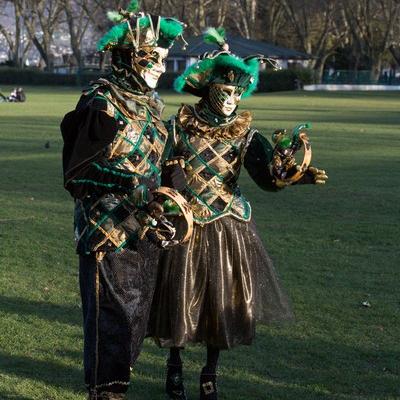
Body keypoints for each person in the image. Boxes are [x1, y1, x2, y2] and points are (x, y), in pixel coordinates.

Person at [149, 28, 328, 400]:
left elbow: (267, 176)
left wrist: (294, 177)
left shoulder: (245, 133)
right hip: (185, 224)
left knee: (223, 302)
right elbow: (158, 168)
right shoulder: (177, 127)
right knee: (178, 298)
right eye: (224, 90)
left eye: (237, 92)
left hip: (229, 223)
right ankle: (175, 365)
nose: (230, 98)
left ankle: (210, 373)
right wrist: (171, 181)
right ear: (208, 87)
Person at [60, 1, 186, 399]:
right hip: (106, 232)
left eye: (165, 60)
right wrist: (134, 187)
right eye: (152, 58)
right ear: (129, 57)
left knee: (133, 321)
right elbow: (79, 172)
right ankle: (104, 393)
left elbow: (163, 166)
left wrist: (171, 194)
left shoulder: (151, 109)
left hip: (143, 232)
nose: (160, 67)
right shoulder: (101, 101)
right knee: (108, 324)